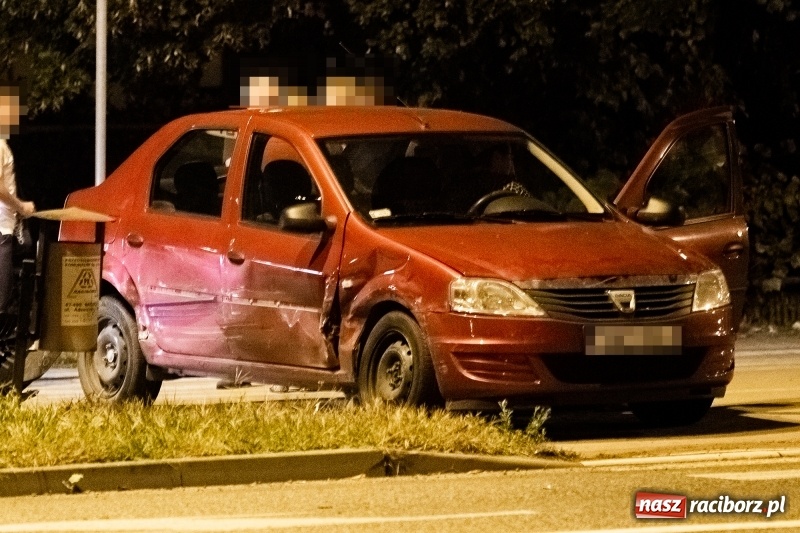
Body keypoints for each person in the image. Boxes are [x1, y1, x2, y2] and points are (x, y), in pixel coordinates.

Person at [0, 85, 35, 318]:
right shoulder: (0, 146)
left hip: (6, 224)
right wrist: (21, 206)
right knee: (2, 297)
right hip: (1, 226)